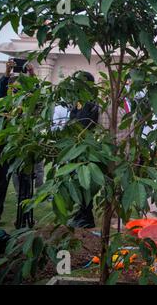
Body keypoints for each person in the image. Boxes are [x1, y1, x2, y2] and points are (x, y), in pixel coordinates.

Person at [0, 60, 40, 228]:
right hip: (3, 150)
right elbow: (0, 91)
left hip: (22, 150)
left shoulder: (27, 108)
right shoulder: (2, 108)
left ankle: (25, 218)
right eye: (13, 89)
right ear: (8, 90)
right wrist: (7, 72)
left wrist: (32, 74)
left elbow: (37, 94)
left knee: (25, 185)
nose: (15, 92)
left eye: (19, 89)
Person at [67, 71, 100, 228]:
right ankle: (81, 213)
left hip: (85, 148)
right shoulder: (80, 101)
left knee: (84, 184)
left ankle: (87, 217)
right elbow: (72, 119)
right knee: (78, 182)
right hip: (77, 146)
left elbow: (83, 122)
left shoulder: (90, 102)